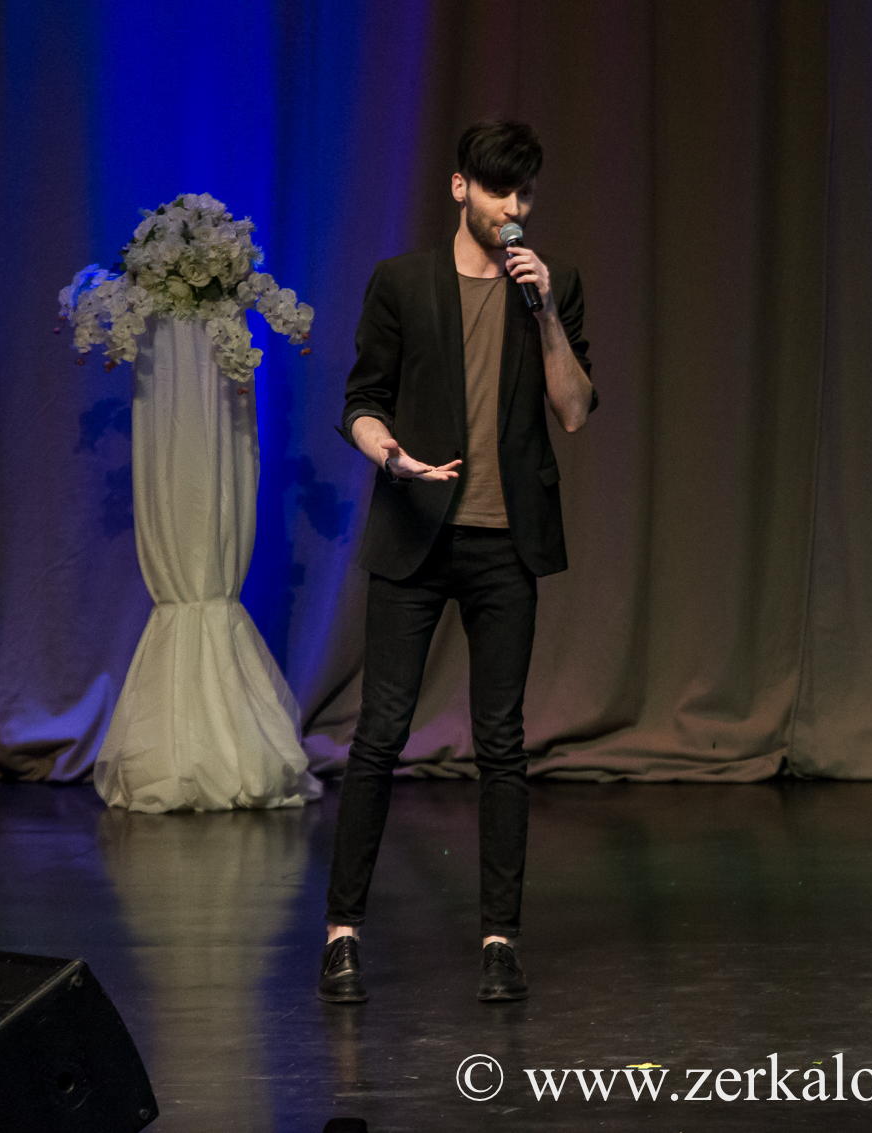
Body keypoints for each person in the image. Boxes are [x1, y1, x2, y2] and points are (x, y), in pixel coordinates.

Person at [318, 120, 596, 1004]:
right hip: (417, 532)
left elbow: (575, 410)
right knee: (380, 732)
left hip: (506, 543)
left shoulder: (551, 286)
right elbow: (361, 400)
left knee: (503, 743)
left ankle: (499, 939)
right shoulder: (403, 282)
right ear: (460, 188)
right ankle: (342, 932)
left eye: (525, 192)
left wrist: (545, 312)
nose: (514, 208)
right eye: (498, 189)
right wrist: (391, 457)